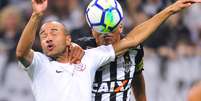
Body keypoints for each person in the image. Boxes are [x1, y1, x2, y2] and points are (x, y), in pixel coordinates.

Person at [16, 0, 201, 101]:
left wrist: (171, 9)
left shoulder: (130, 51)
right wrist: (70, 46)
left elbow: (137, 75)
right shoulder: (83, 51)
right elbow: (23, 53)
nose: (106, 35)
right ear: (92, 30)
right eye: (101, 32)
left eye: (111, 30)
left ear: (120, 27)